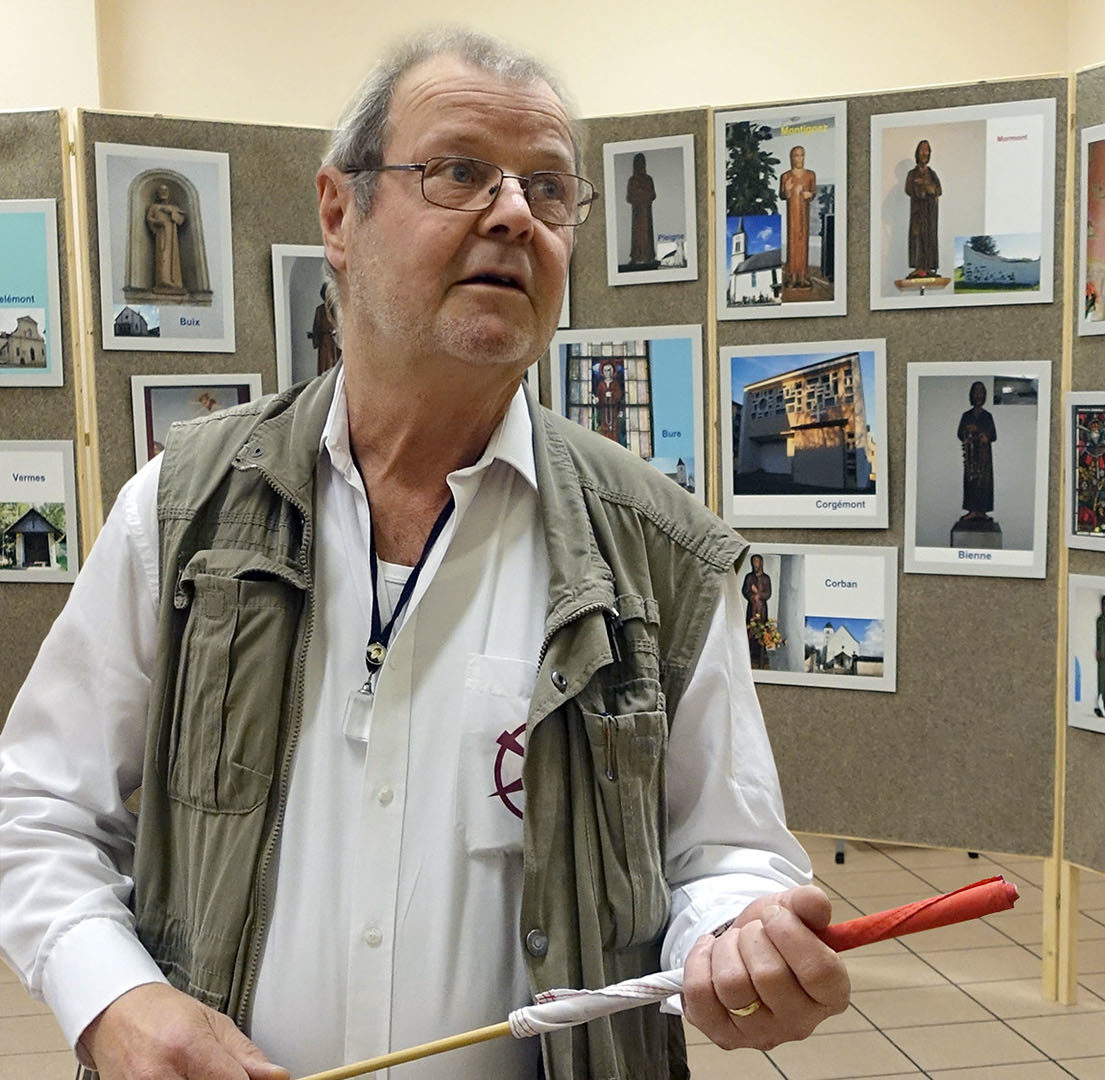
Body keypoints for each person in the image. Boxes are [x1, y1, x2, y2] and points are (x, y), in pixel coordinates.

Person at [0, 30, 846, 1080]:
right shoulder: (181, 512)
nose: (511, 213)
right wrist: (113, 1000)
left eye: (548, 189)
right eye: (458, 171)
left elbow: (724, 853)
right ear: (338, 213)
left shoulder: (658, 552)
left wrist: (736, 938)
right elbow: (35, 805)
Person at [957, 380, 996, 521]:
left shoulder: (988, 416)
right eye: (976, 392)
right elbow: (959, 434)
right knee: (971, 481)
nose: (979, 395)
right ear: (971, 395)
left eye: (981, 392)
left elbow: (994, 435)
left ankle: (982, 511)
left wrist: (981, 433)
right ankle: (973, 510)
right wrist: (967, 433)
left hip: (984, 457)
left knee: (984, 483)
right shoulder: (966, 415)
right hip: (971, 455)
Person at [903, 139, 942, 279]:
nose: (925, 153)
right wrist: (920, 188)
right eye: (922, 150)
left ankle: (928, 267)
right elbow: (908, 189)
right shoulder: (912, 174)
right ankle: (919, 268)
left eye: (927, 150)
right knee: (917, 237)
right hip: (918, 212)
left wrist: (927, 185)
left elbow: (938, 190)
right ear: (917, 153)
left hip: (930, 212)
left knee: (929, 237)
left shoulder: (932, 174)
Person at [779, 145, 816, 288]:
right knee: (793, 244)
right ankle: (792, 277)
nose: (799, 158)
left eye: (801, 155)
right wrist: (787, 190)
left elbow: (813, 192)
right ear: (791, 158)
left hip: (804, 216)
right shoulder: (786, 176)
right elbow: (783, 195)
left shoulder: (810, 175)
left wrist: (810, 195)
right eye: (796, 155)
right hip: (792, 216)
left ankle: (803, 276)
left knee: (803, 243)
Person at [146, 183, 189, 292]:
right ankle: (163, 281)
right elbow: (149, 219)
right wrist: (157, 222)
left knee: (173, 257)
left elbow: (180, 220)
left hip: (172, 237)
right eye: (161, 191)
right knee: (162, 255)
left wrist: (171, 213)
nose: (163, 193)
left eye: (165, 191)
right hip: (161, 235)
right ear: (158, 193)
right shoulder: (154, 207)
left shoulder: (173, 208)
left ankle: (175, 281)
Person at [624, 152, 657, 268]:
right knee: (637, 236)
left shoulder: (649, 179)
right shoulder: (632, 180)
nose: (639, 166)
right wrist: (638, 195)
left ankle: (649, 256)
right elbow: (629, 197)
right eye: (637, 163)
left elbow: (653, 195)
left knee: (647, 235)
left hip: (646, 213)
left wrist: (643, 194)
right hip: (637, 213)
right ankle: (636, 257)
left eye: (641, 163)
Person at [743, 553, 773, 667]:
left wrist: (758, 595)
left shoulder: (766, 578)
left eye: (757, 562)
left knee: (761, 630)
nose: (755, 564)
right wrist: (752, 596)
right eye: (753, 562)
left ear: (761, 563)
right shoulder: (749, 577)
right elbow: (745, 591)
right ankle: (749, 653)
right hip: (752, 608)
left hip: (762, 609)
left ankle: (761, 653)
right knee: (750, 629)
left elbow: (768, 593)